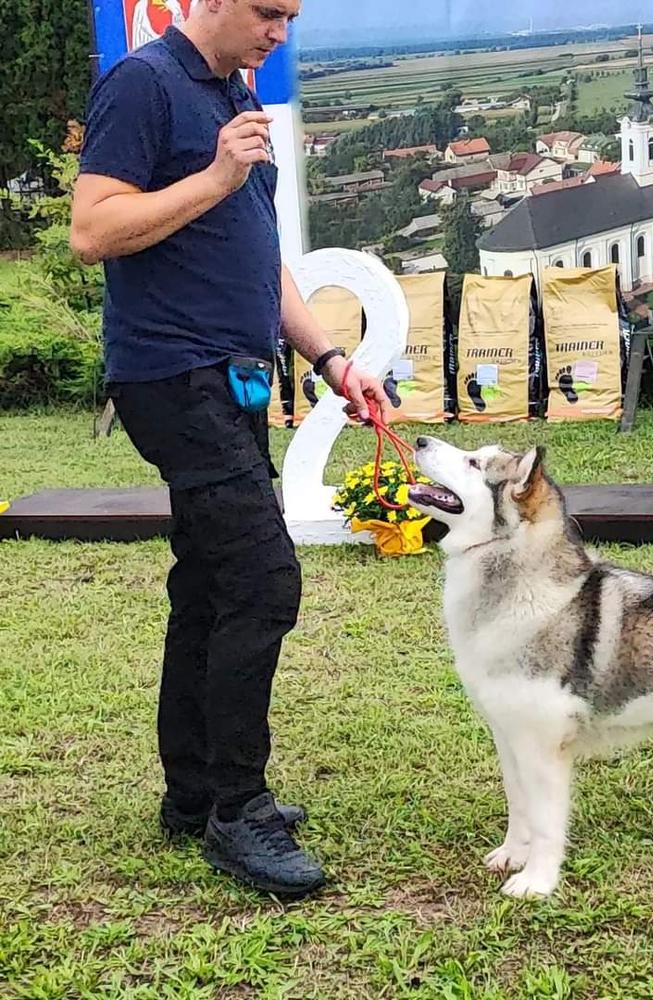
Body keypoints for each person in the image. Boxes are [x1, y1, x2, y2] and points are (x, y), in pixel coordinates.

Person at [70, 0, 388, 898]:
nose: (279, 32)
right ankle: (237, 810)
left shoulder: (230, 90)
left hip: (234, 374)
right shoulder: (144, 85)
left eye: (290, 15)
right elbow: (92, 230)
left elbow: (258, 251)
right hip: (173, 379)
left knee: (210, 581)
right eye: (266, 11)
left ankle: (193, 792)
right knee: (262, 578)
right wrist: (210, 178)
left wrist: (328, 356)